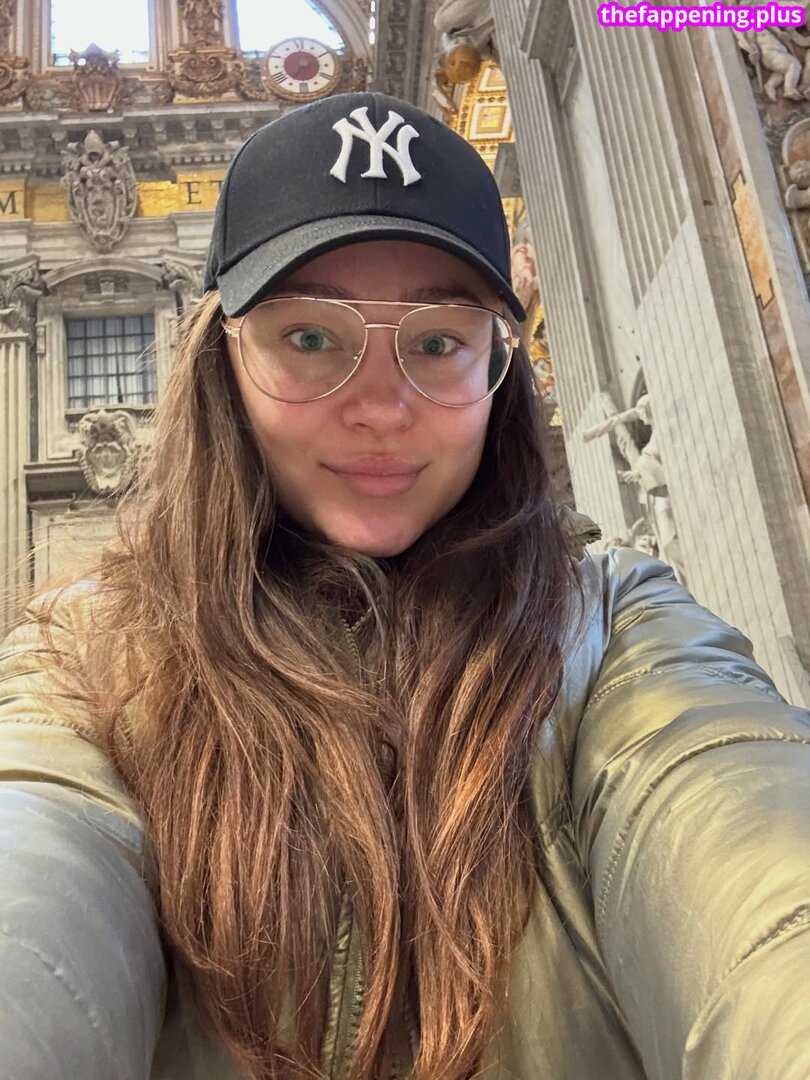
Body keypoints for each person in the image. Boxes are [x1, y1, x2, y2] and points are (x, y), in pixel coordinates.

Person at [0, 91, 808, 1080]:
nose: (381, 408)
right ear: (224, 362)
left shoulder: (615, 633)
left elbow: (753, 861)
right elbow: (34, 872)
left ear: (500, 368)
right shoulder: (84, 664)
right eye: (311, 338)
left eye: (436, 341)